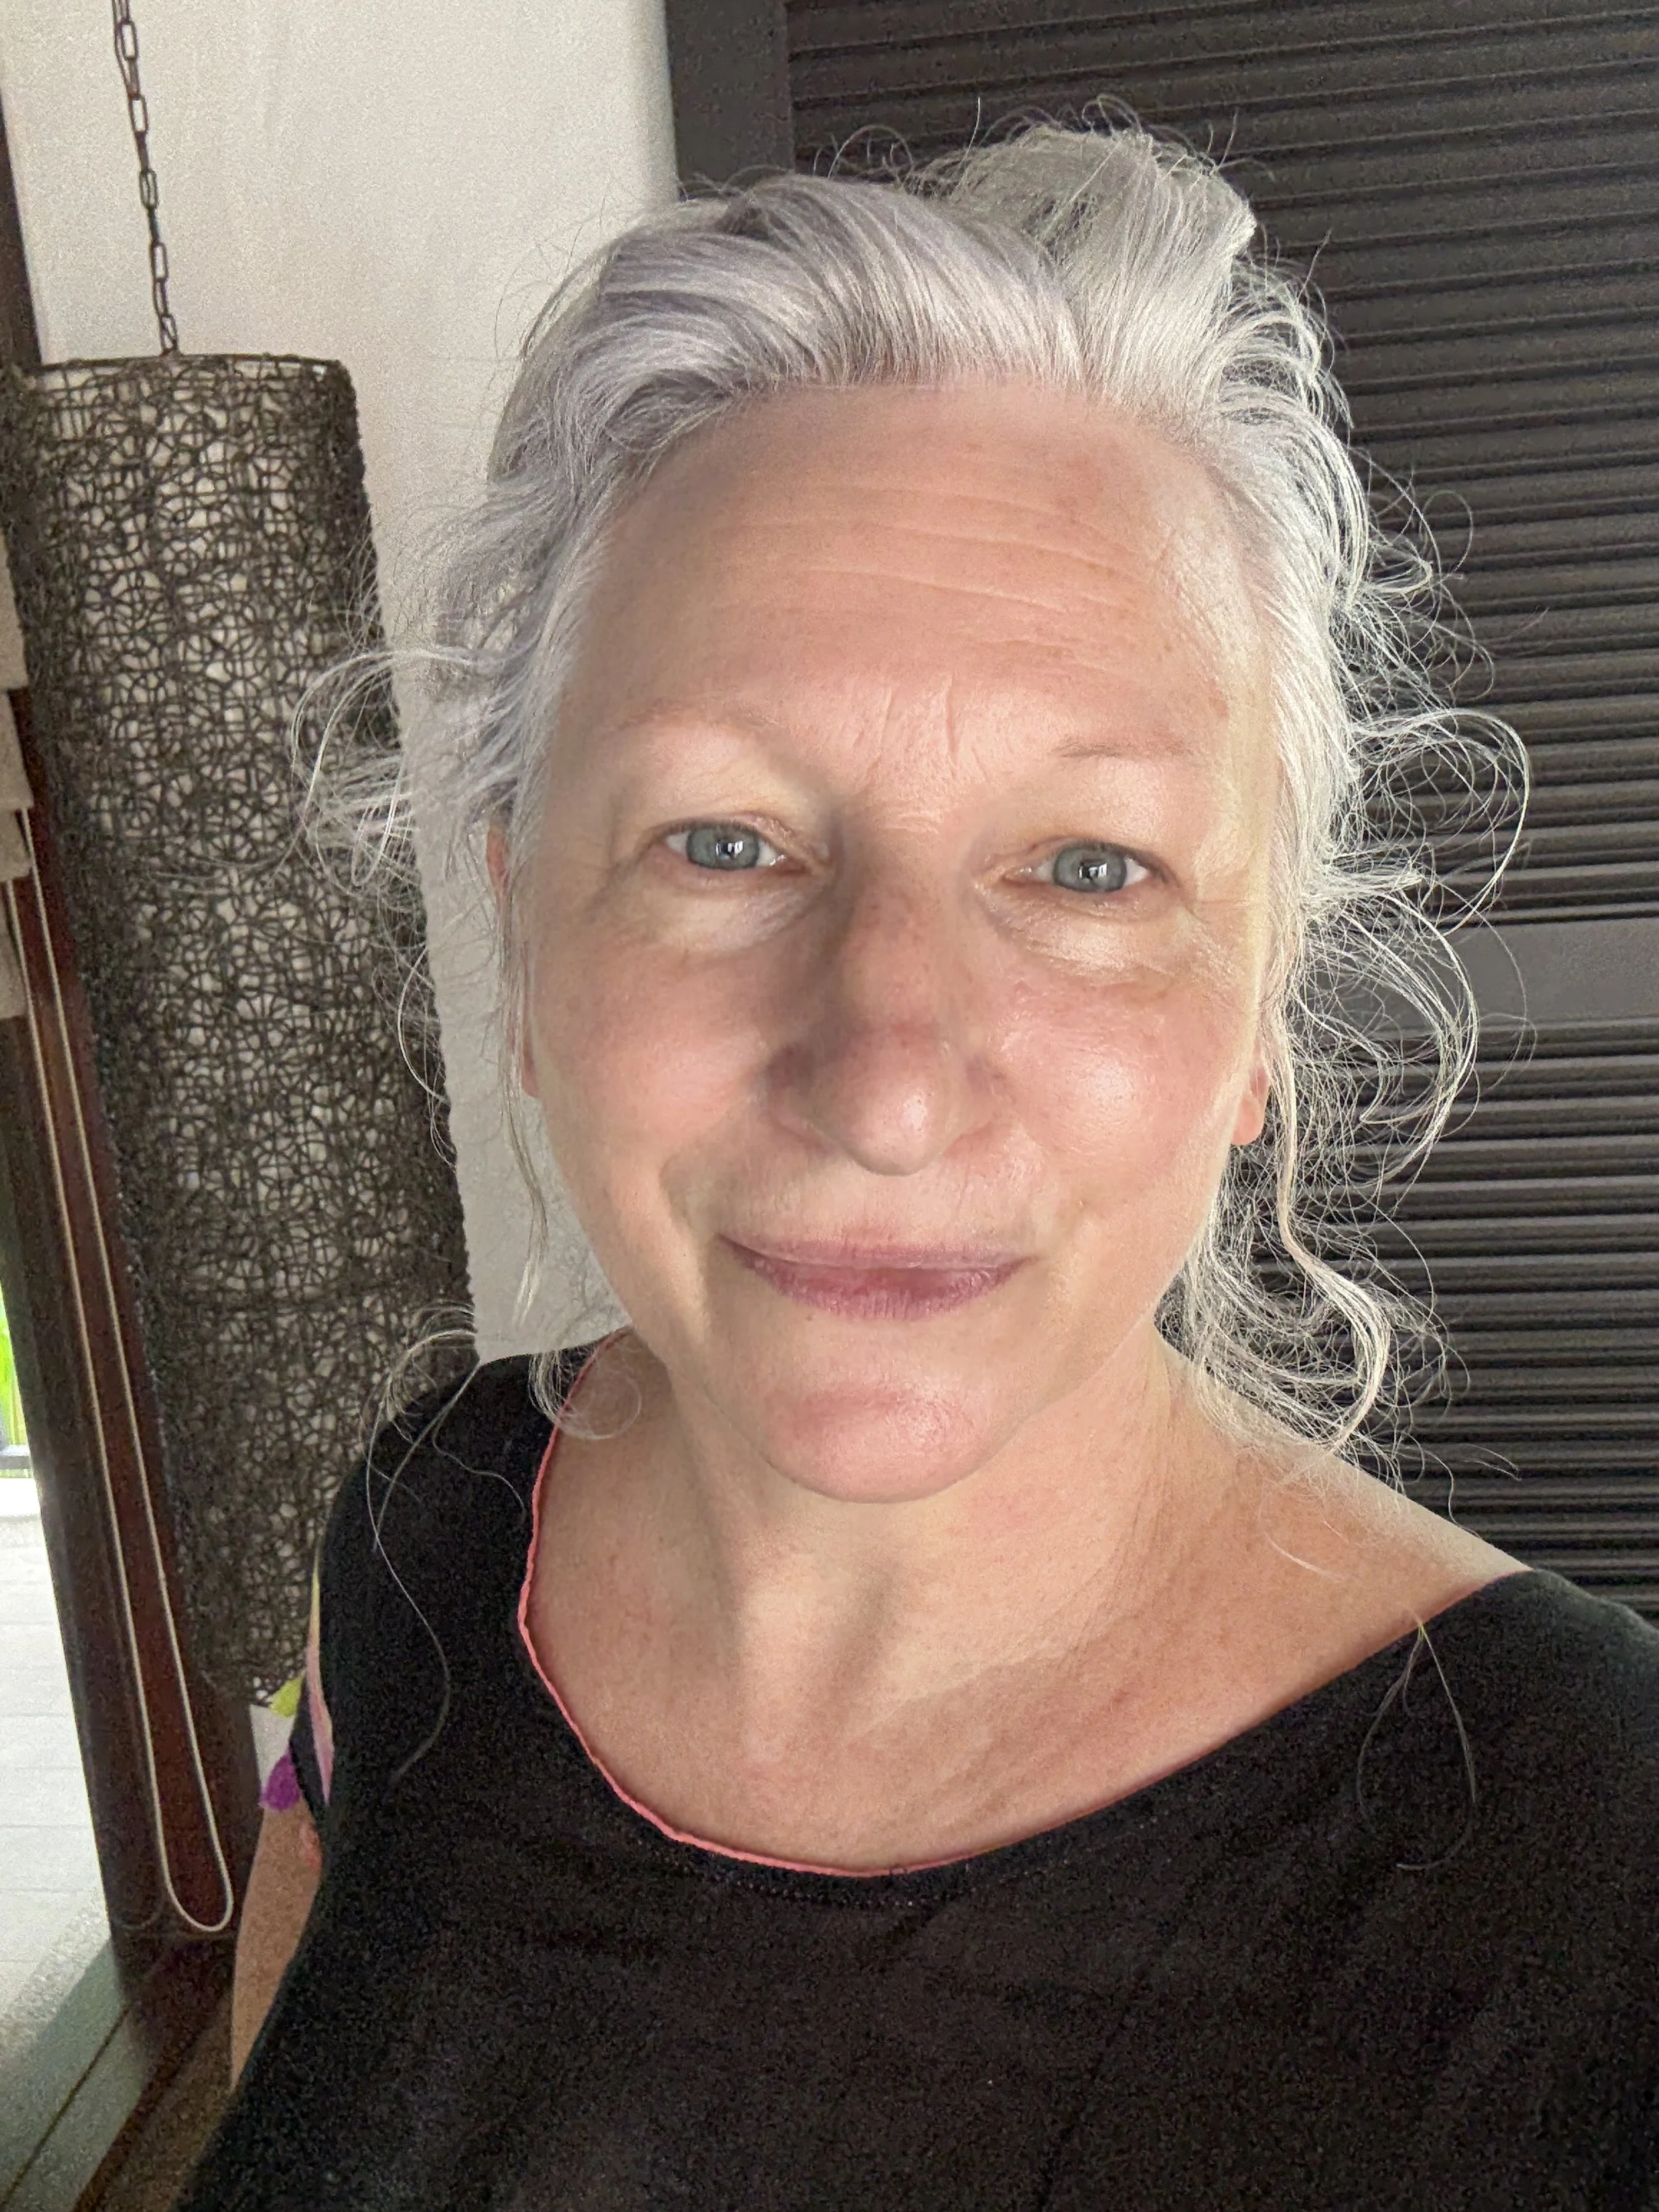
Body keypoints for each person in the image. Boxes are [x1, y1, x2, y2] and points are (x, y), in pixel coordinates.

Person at [182, 119, 1659, 2209]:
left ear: (1255, 1014)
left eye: (1085, 865)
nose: (883, 1081)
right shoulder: (417, 1533)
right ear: (521, 938)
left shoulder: (1588, 1882)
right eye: (722, 841)